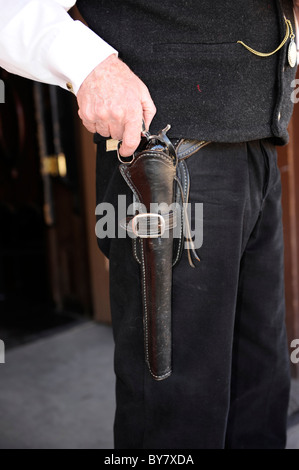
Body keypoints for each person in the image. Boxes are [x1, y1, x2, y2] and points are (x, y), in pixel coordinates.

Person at [0, 0, 298, 449]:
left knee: (259, 389)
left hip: (255, 149)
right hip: (164, 165)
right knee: (175, 413)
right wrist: (89, 66)